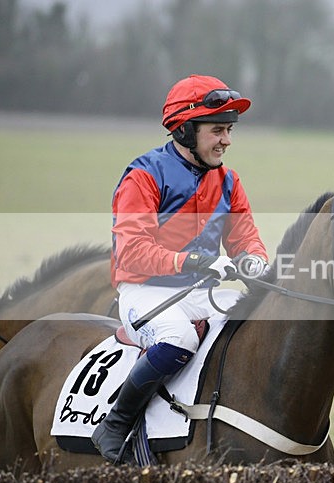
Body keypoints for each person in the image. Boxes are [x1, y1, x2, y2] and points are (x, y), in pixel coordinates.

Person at [92, 74, 269, 462]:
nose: (226, 140)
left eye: (229, 130)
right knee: (179, 338)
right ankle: (115, 424)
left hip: (201, 294)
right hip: (145, 293)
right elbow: (132, 252)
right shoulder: (144, 175)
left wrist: (254, 260)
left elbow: (245, 238)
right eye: (217, 130)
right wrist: (196, 261)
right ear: (185, 130)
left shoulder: (228, 181)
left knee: (254, 325)